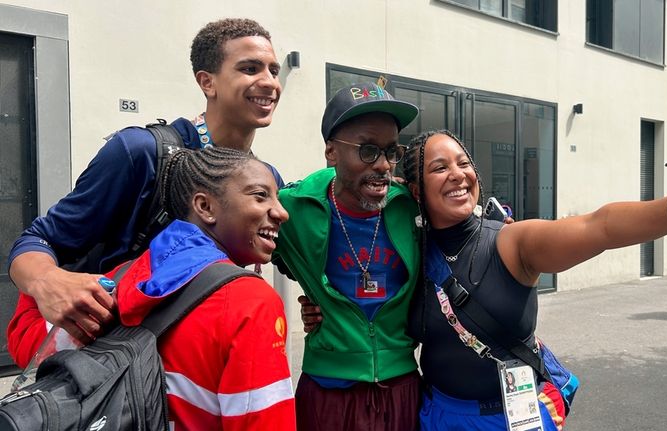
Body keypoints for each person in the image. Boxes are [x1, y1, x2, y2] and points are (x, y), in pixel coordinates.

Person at [401, 127, 667, 430]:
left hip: (512, 417)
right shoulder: (407, 251)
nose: (458, 174)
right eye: (439, 168)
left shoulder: (511, 242)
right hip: (437, 414)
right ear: (416, 190)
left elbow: (599, 227)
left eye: (464, 163)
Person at [7, 18, 283, 353]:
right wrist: (48, 282)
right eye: (250, 68)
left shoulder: (265, 181)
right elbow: (38, 239)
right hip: (112, 369)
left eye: (273, 70)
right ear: (207, 82)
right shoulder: (140, 153)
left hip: (190, 369)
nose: (269, 82)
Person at [8, 147, 295, 430]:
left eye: (278, 199)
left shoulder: (116, 281)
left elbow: (29, 344)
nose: (282, 213)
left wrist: (46, 281)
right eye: (261, 196)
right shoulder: (251, 302)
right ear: (205, 207)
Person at [272, 82, 422, 431]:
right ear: (331, 152)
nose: (384, 164)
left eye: (391, 151)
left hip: (401, 386)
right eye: (368, 150)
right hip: (327, 391)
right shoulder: (293, 207)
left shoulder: (412, 207)